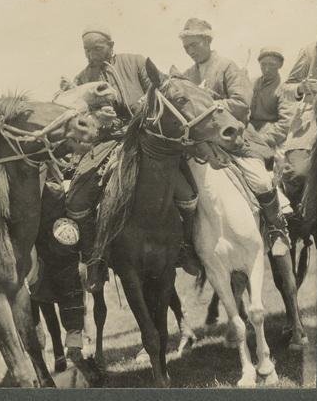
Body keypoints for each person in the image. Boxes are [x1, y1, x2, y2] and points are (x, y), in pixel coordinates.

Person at [55, 26, 161, 290]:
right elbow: (79, 121)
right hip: (107, 142)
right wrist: (97, 121)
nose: (91, 55)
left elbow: (159, 93)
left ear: (112, 45)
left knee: (186, 181)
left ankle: (189, 243)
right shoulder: (83, 78)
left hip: (146, 136)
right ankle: (95, 259)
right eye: (87, 50)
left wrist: (141, 109)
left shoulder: (136, 62)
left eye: (97, 48)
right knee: (77, 200)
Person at [178, 18, 290, 256]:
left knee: (260, 179)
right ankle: (184, 244)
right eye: (186, 47)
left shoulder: (227, 67)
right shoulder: (187, 75)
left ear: (208, 40)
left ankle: (276, 230)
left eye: (194, 44)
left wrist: (211, 105)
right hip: (201, 145)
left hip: (233, 138)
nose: (190, 51)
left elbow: (241, 104)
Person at [280, 40, 317, 200]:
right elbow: (286, 88)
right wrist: (301, 88)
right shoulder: (310, 50)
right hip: (310, 124)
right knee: (297, 174)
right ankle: (294, 218)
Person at [249, 47, 292, 151]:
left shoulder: (285, 88)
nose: (267, 69)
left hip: (271, 134)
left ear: (280, 65)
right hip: (249, 130)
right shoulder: (253, 82)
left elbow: (285, 124)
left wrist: (263, 140)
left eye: (272, 64)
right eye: (263, 64)